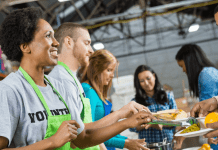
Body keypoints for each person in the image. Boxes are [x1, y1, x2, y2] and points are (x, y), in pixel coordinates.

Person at [0, 7, 154, 149]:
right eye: (48, 36)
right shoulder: (10, 90)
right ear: (25, 46)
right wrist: (52, 141)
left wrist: (127, 122)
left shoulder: (58, 87)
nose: (56, 43)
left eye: (54, 36)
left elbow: (83, 138)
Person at [49, 22, 152, 150]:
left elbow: (84, 130)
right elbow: (82, 136)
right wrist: (122, 117)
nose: (91, 50)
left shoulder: (72, 81)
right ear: (69, 42)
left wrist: (124, 118)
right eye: (86, 43)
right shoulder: (63, 81)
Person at [80, 49, 147, 150]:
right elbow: (91, 133)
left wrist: (127, 140)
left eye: (112, 71)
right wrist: (124, 143)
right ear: (96, 68)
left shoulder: (96, 91)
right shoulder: (88, 90)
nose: (112, 75)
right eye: (109, 70)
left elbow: (106, 130)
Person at [175, 43, 218, 149]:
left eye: (182, 66)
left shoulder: (206, 75)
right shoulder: (210, 72)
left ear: (189, 62)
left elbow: (205, 113)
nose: (183, 70)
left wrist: (183, 131)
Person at [129, 65, 177, 146]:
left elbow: (177, 120)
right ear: (138, 83)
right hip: (148, 146)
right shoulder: (135, 103)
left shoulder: (167, 96)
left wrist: (161, 123)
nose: (146, 83)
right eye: (142, 81)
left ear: (154, 76)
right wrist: (148, 123)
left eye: (148, 78)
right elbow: (131, 126)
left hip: (169, 145)